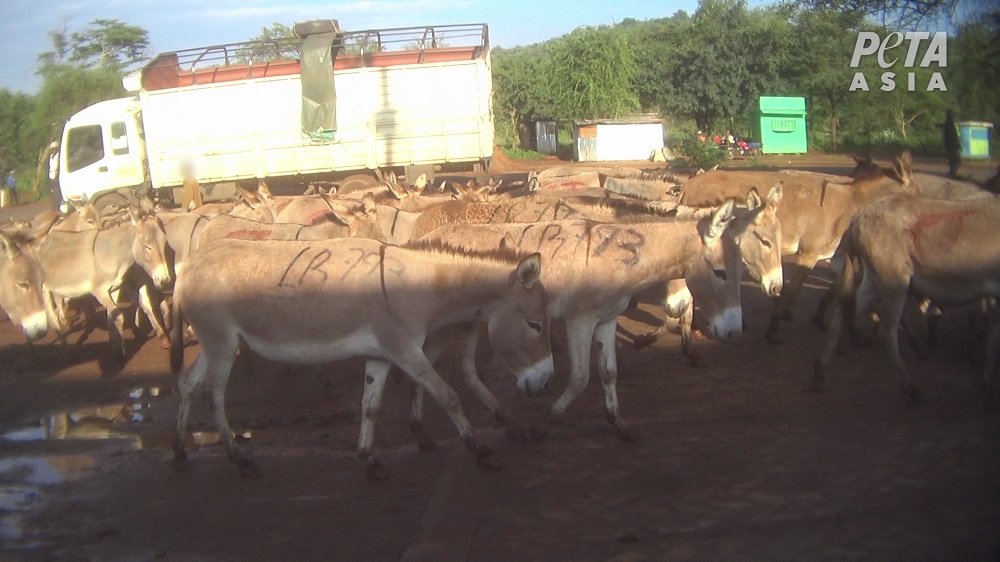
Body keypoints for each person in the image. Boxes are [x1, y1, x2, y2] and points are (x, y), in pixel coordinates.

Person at [943, 109, 961, 178]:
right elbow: (951, 137)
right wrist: (955, 146)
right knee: (956, 160)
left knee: (953, 160)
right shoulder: (949, 124)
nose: (953, 116)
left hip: (952, 146)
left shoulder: (949, 124)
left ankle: (952, 173)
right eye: (952, 115)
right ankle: (952, 174)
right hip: (952, 146)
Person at [47, 141, 62, 211]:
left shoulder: (59, 156)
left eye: (54, 149)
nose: (53, 150)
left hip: (56, 176)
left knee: (57, 193)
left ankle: (58, 208)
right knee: (52, 193)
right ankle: (55, 208)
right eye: (52, 149)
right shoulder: (51, 157)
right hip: (51, 176)